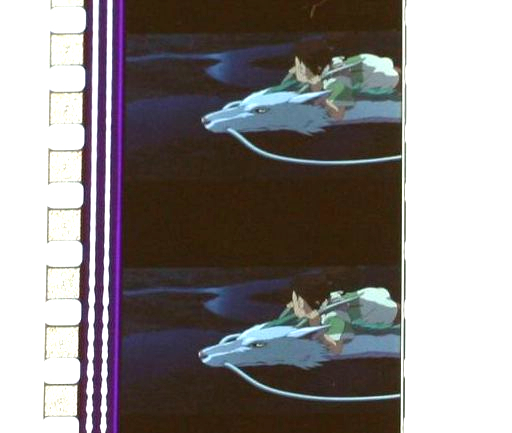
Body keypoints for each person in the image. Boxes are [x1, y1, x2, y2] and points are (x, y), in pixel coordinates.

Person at [268, 39, 401, 120]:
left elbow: (337, 115)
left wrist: (319, 93)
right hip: (370, 65)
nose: (294, 70)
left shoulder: (338, 79)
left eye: (300, 67)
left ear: (317, 68)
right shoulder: (307, 71)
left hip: (388, 77)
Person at [284, 288, 399, 354]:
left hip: (387, 309)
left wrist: (317, 327)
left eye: (296, 303)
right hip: (377, 296)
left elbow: (336, 349)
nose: (290, 306)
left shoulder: (333, 315)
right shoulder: (334, 298)